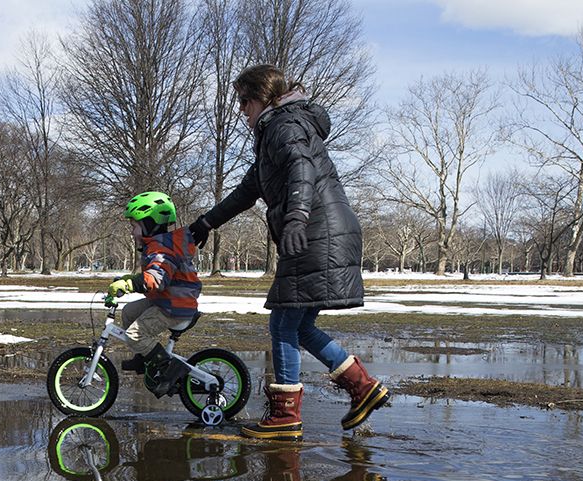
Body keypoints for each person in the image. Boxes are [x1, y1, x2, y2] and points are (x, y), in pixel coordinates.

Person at [187, 65, 389, 441]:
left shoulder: (285, 126)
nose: (241, 109)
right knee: (299, 324)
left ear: (263, 97)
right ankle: (362, 387)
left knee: (283, 323)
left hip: (315, 231)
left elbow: (301, 168)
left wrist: (296, 217)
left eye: (245, 101)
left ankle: (285, 418)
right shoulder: (275, 132)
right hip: (321, 230)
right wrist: (205, 223)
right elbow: (250, 188)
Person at [106, 191, 202, 396]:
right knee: (130, 311)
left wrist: (131, 283)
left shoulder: (161, 250)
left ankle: (169, 369)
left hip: (175, 306)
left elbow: (156, 279)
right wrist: (129, 279)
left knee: (134, 335)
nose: (132, 233)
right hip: (168, 301)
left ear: (149, 223)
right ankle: (145, 356)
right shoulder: (157, 245)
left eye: (134, 226)